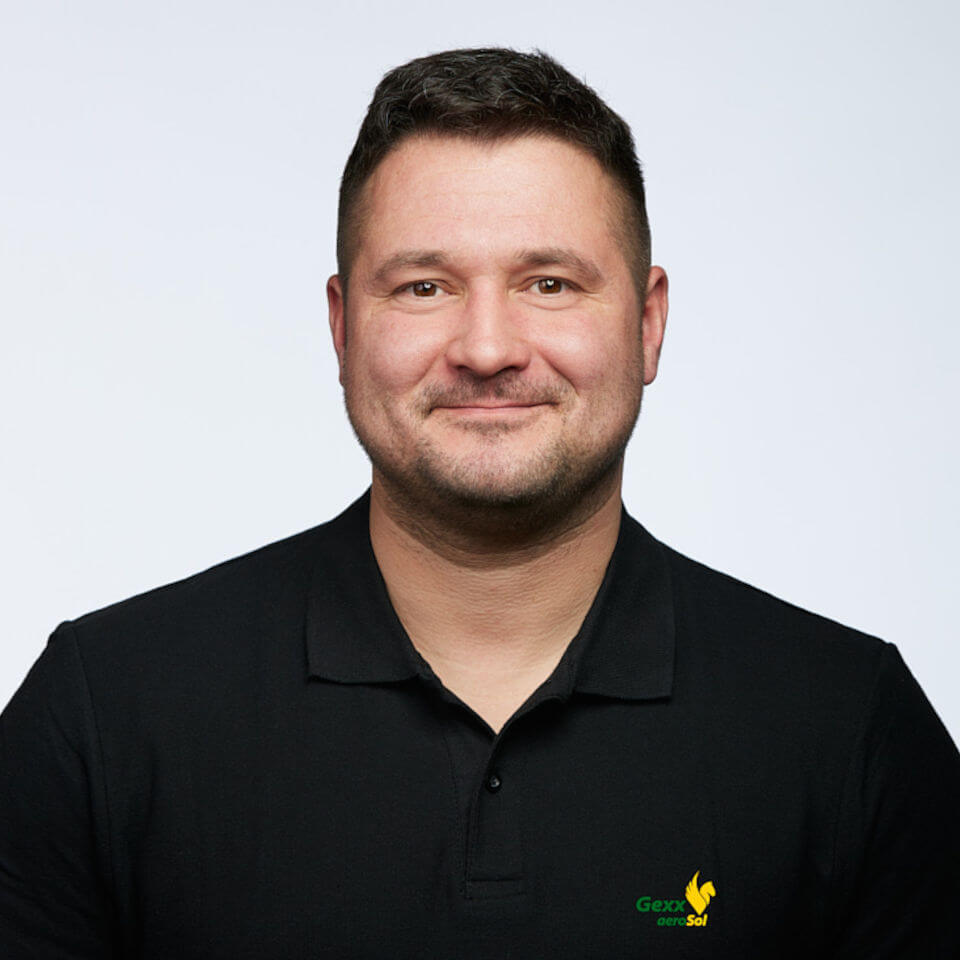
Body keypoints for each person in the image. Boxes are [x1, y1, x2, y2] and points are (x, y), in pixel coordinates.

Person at [1, 47, 958, 959]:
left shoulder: (850, 727)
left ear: (647, 323)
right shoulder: (102, 716)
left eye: (550, 283)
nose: (488, 348)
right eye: (424, 287)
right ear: (342, 327)